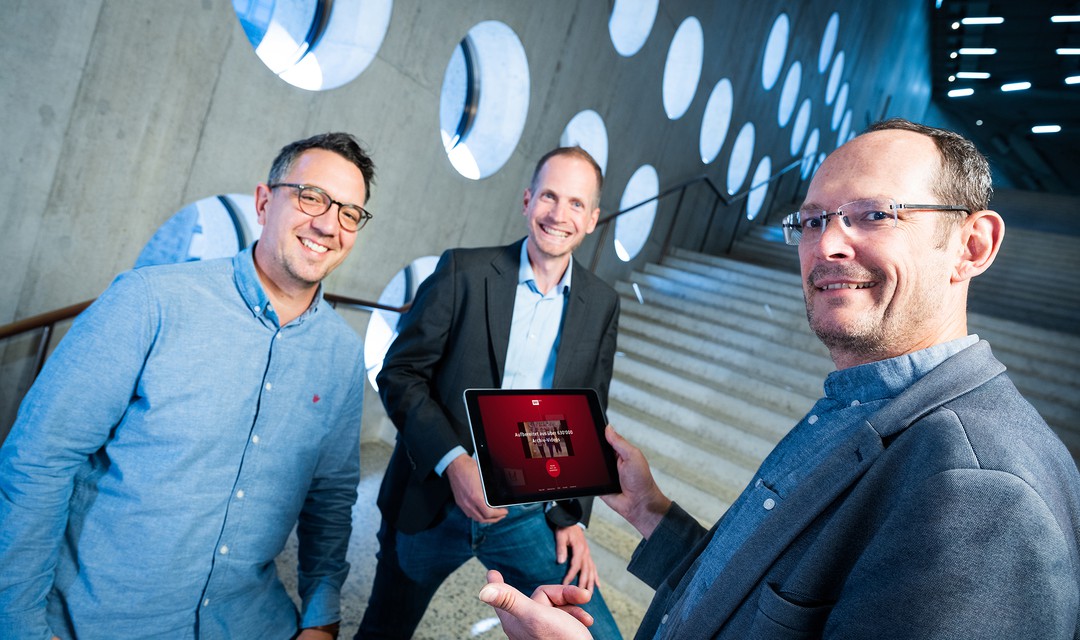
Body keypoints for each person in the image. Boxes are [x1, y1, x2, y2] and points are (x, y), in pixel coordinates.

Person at [478, 119, 1080, 639]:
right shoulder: (863, 398)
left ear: (972, 245)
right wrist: (650, 510)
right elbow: (758, 593)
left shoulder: (985, 491)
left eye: (875, 214)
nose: (829, 245)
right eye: (814, 220)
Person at [0, 132, 376, 639]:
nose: (329, 224)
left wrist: (321, 615)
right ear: (265, 202)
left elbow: (329, 496)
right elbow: (38, 460)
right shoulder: (147, 302)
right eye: (312, 197)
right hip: (101, 622)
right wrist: (18, 625)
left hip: (248, 623)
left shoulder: (343, 355)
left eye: (350, 213)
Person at [356, 147, 623, 639]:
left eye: (576, 204)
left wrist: (573, 518)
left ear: (592, 219)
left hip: (524, 514)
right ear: (527, 201)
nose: (559, 214)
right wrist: (454, 463)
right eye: (549, 196)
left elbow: (589, 413)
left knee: (598, 635)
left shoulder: (602, 303)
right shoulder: (464, 272)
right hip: (432, 497)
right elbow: (400, 372)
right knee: (382, 633)